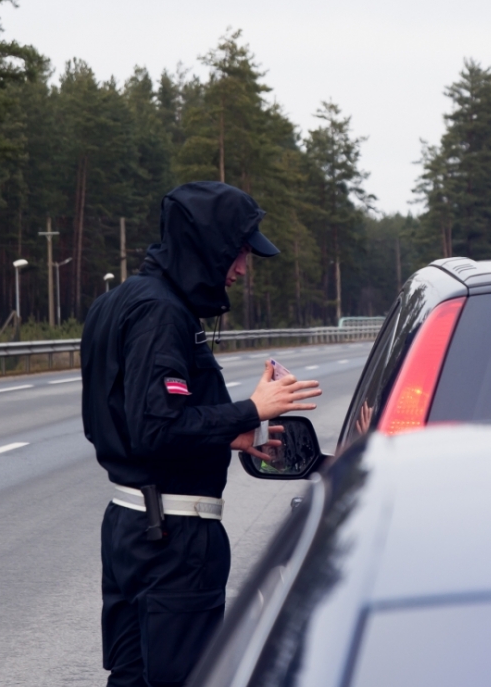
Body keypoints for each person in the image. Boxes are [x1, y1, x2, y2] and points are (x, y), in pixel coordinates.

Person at [81, 181, 320, 687]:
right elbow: (157, 429)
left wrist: (231, 432)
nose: (242, 268)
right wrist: (253, 408)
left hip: (127, 528)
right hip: (174, 540)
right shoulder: (162, 312)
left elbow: (130, 422)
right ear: (208, 246)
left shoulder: (117, 303)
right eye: (238, 252)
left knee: (132, 679)